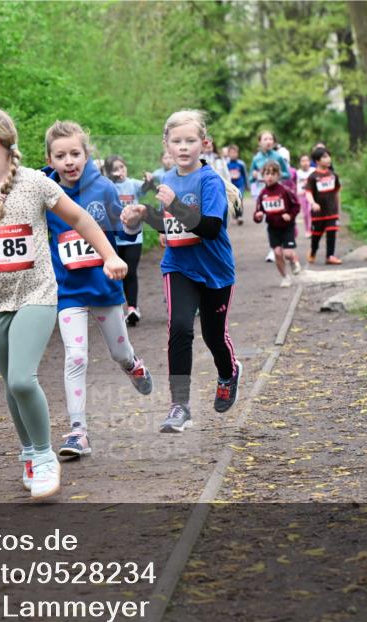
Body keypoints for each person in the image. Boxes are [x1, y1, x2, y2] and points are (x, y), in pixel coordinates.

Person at [0, 107, 127, 500]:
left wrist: (109, 255)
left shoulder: (35, 184)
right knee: (11, 385)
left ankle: (44, 457)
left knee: (23, 379)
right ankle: (27, 452)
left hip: (37, 295)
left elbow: (80, 219)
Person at [121, 109, 241, 434]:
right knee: (180, 328)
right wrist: (144, 214)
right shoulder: (167, 180)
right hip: (178, 266)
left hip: (215, 270)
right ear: (167, 144)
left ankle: (229, 372)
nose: (184, 147)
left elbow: (210, 229)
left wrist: (174, 205)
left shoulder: (209, 181)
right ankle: (180, 405)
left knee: (214, 337)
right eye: (177, 141)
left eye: (191, 140)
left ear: (205, 143)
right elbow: (169, 226)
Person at [45, 124, 153, 459]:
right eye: (60, 155)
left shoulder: (103, 187)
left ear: (87, 155)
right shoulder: (44, 192)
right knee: (76, 356)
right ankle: (78, 432)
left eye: (75, 154)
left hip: (104, 286)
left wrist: (133, 220)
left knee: (119, 354)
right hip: (68, 291)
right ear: (49, 159)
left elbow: (123, 229)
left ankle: (133, 364)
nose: (69, 161)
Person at [103, 154, 152, 326]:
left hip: (133, 237)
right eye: (115, 169)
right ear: (109, 172)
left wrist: (149, 180)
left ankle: (132, 308)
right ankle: (115, 310)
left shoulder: (132, 184)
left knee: (130, 272)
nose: (120, 172)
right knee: (114, 275)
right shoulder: (107, 186)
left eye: (122, 167)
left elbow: (146, 188)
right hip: (113, 237)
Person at [253, 161, 302, 287]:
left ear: (278, 175)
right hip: (273, 228)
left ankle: (293, 259)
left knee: (287, 253)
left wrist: (290, 216)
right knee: (278, 253)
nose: (270, 176)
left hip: (287, 227)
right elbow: (258, 211)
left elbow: (296, 206)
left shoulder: (285, 190)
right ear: (263, 176)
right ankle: (285, 277)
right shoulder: (262, 194)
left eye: (273, 173)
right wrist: (258, 216)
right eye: (267, 173)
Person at [250, 131, 292, 260]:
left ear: (274, 142)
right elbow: (251, 176)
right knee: (268, 221)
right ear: (260, 142)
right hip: (263, 193)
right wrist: (255, 176)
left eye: (270, 139)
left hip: (277, 192)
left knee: (279, 217)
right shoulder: (256, 158)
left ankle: (282, 245)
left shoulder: (278, 157)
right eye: (265, 139)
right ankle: (274, 248)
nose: (268, 141)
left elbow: (287, 174)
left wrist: (275, 176)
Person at [305, 147, 343, 265]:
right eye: (325, 157)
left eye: (329, 156)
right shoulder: (313, 177)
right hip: (318, 213)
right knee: (316, 235)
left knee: (332, 232)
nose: (328, 159)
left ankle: (330, 256)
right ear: (317, 161)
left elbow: (336, 191)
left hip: (332, 211)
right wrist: (313, 203)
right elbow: (308, 192)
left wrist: (338, 207)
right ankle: (313, 251)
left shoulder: (333, 175)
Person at [225, 144, 248, 225]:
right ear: (228, 154)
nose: (233, 155)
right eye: (231, 153)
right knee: (233, 201)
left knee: (239, 199)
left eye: (235, 153)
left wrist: (246, 185)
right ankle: (235, 215)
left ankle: (240, 216)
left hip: (240, 185)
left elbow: (245, 174)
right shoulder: (226, 164)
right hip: (231, 186)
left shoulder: (241, 164)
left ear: (237, 153)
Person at [296, 153, 315, 238]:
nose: (305, 163)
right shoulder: (297, 173)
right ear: (300, 163)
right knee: (305, 214)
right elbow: (295, 184)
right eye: (303, 161)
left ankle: (311, 229)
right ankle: (307, 230)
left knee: (310, 211)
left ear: (310, 161)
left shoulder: (314, 171)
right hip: (302, 195)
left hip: (312, 194)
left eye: (307, 160)